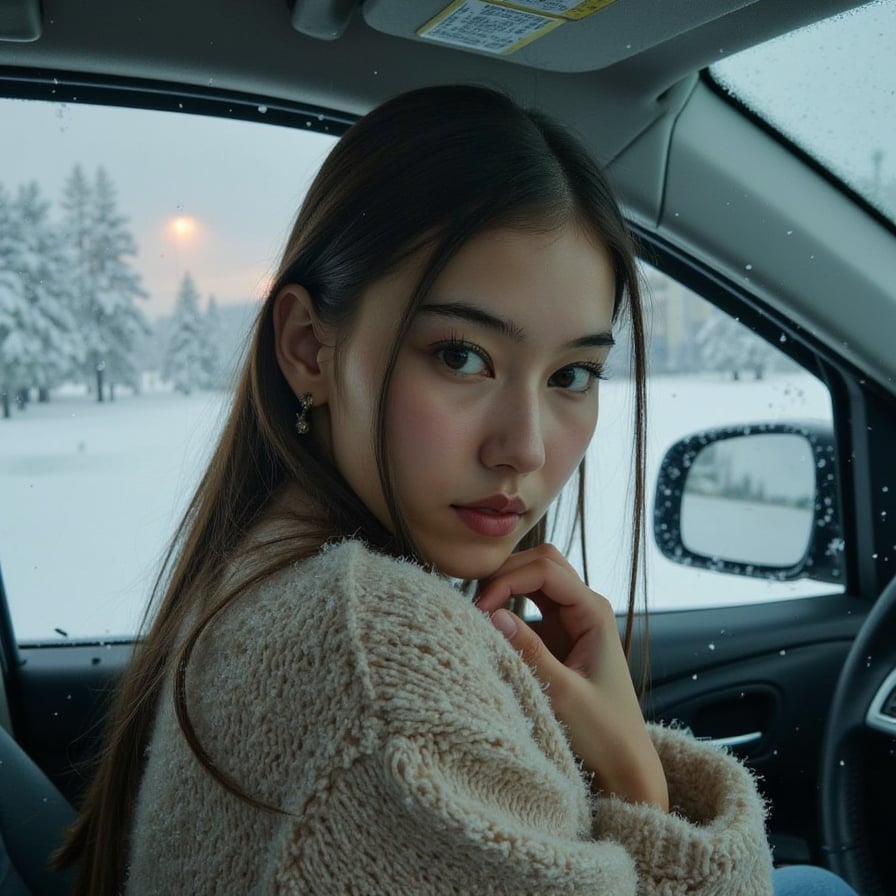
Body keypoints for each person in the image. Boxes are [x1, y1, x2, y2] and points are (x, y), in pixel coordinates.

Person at [55, 84, 857, 896]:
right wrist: (637, 780)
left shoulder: (273, 573)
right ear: (308, 348)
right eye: (461, 356)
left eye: (573, 374)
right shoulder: (380, 659)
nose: (526, 447)